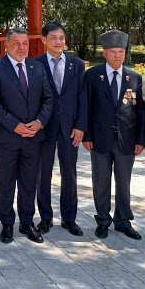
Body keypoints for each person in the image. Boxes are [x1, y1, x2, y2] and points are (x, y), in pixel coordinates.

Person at [0, 27, 53, 244]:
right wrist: (15, 126)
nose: (21, 47)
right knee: (5, 183)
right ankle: (7, 224)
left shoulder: (38, 68)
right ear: (6, 45)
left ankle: (26, 223)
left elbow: (48, 99)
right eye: (16, 43)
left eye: (24, 43)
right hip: (8, 137)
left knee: (28, 182)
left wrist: (39, 122)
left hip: (34, 137)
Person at [83, 29, 145, 241]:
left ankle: (123, 221)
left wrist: (140, 140)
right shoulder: (92, 75)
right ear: (104, 53)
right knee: (101, 182)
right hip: (99, 138)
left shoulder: (134, 77)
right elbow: (86, 108)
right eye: (112, 51)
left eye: (121, 51)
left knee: (124, 182)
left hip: (126, 140)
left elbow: (139, 110)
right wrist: (87, 135)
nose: (117, 55)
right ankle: (102, 221)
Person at [34, 22, 88, 236]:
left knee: (70, 173)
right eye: (54, 38)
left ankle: (69, 218)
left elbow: (82, 98)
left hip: (70, 129)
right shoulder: (35, 64)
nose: (58, 42)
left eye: (62, 38)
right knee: (43, 174)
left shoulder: (77, 64)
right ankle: (45, 218)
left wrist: (81, 126)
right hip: (44, 129)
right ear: (44, 40)